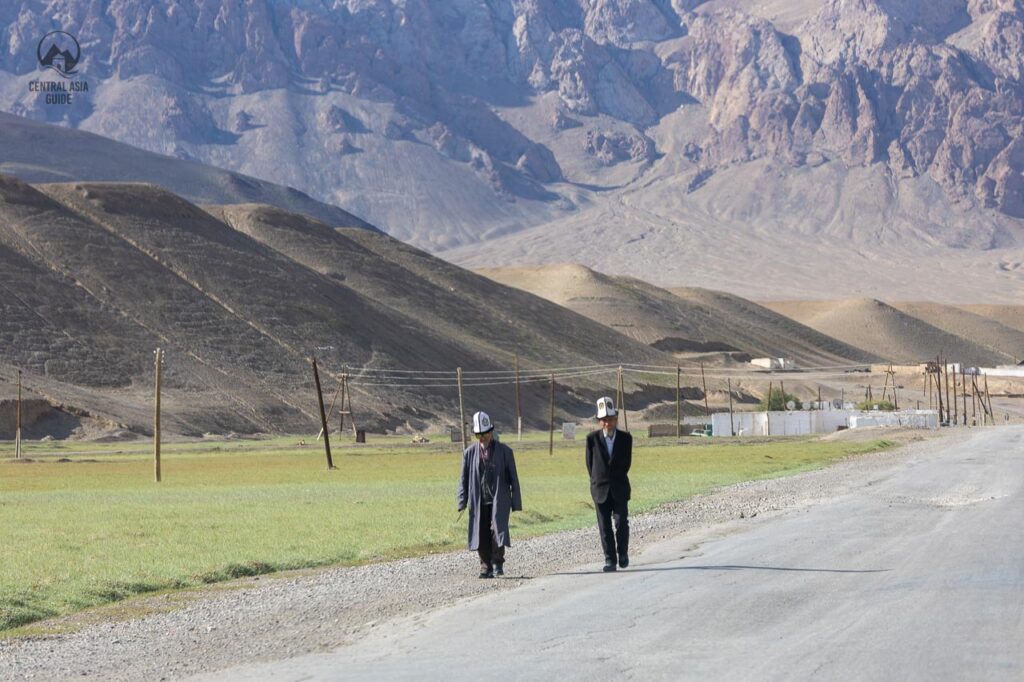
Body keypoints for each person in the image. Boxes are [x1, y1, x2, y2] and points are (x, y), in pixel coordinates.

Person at [457, 411, 522, 578]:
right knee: (481, 533)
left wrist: (516, 502)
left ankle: (497, 562)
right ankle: (485, 566)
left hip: (499, 500)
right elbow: (463, 479)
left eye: (484, 434)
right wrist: (462, 500)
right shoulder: (469, 453)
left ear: (491, 432)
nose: (482, 438)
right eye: (478, 434)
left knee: (497, 531)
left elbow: (513, 478)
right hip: (478, 501)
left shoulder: (505, 452)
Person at [585, 396, 632, 572]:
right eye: (604, 420)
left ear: (616, 419)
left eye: (610, 419)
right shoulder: (591, 440)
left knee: (621, 523)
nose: (607, 423)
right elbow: (590, 465)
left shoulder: (626, 439)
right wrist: (598, 481)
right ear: (599, 421)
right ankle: (610, 560)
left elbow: (627, 464)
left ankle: (623, 553)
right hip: (600, 489)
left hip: (619, 488)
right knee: (604, 526)